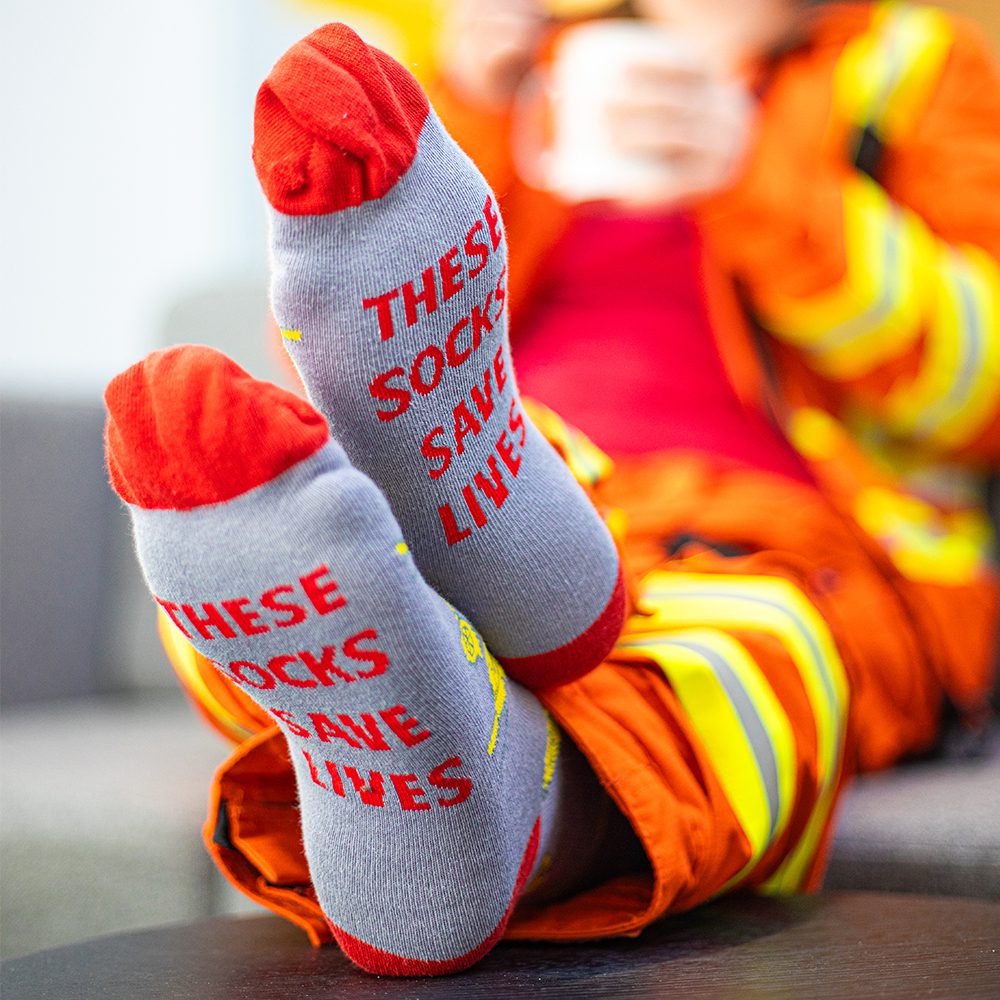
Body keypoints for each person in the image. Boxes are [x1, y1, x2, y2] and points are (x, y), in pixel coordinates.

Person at [104, 11, 997, 978]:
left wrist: (757, 178)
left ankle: (476, 784)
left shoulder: (913, 66)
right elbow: (351, 363)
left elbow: (977, 386)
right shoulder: (547, 54)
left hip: (787, 536)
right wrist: (480, 102)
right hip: (531, 467)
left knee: (744, 661)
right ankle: (501, 562)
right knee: (317, 504)